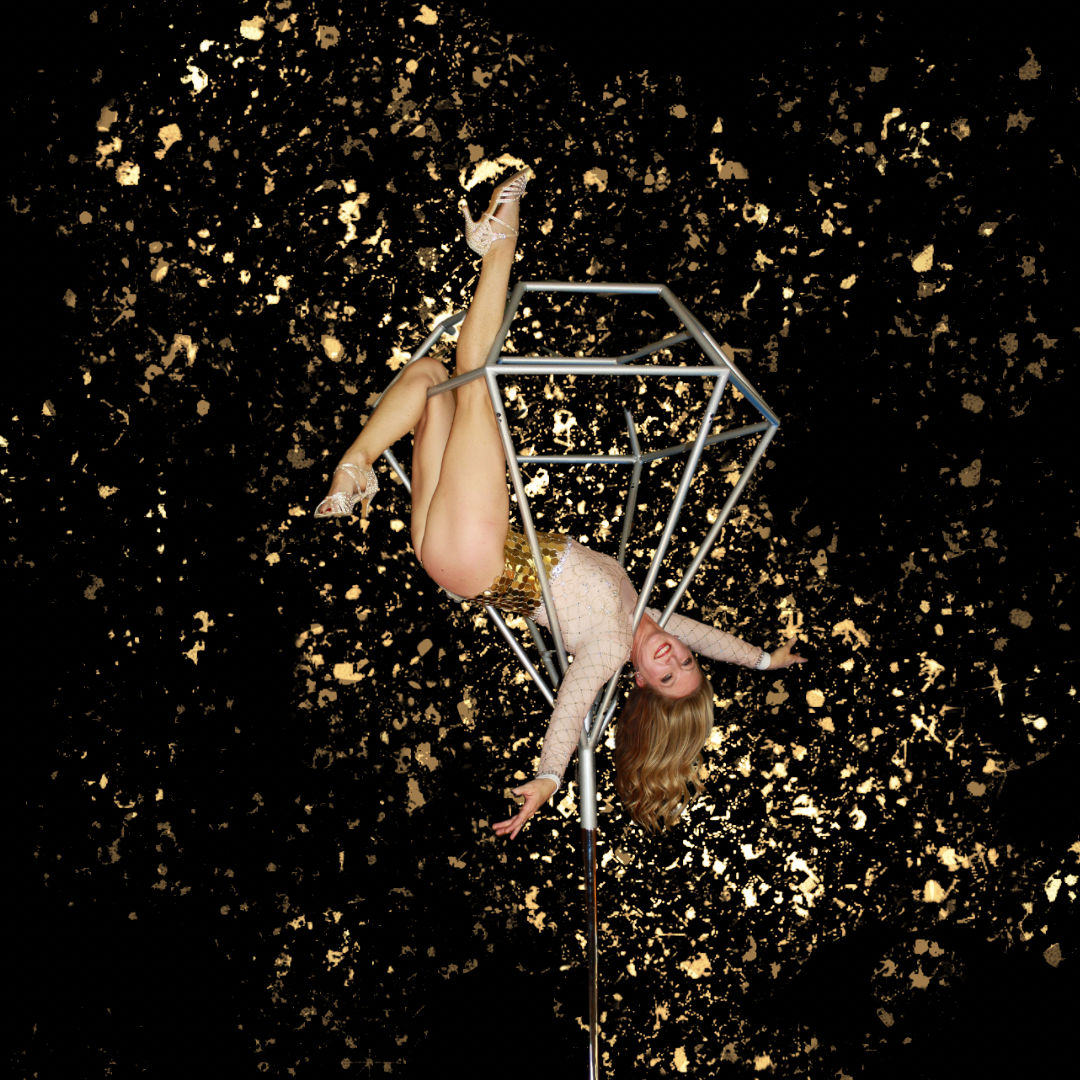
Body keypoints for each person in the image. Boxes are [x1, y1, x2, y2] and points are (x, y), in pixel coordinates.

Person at [315, 164, 806, 838]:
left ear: (637, 682)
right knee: (435, 380)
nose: (673, 657)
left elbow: (571, 712)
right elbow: (710, 640)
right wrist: (764, 660)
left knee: (477, 377)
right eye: (685, 662)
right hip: (456, 551)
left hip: (481, 556)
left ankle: (499, 241)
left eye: (665, 676)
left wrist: (549, 779)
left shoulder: (607, 648)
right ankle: (355, 468)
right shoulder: (646, 617)